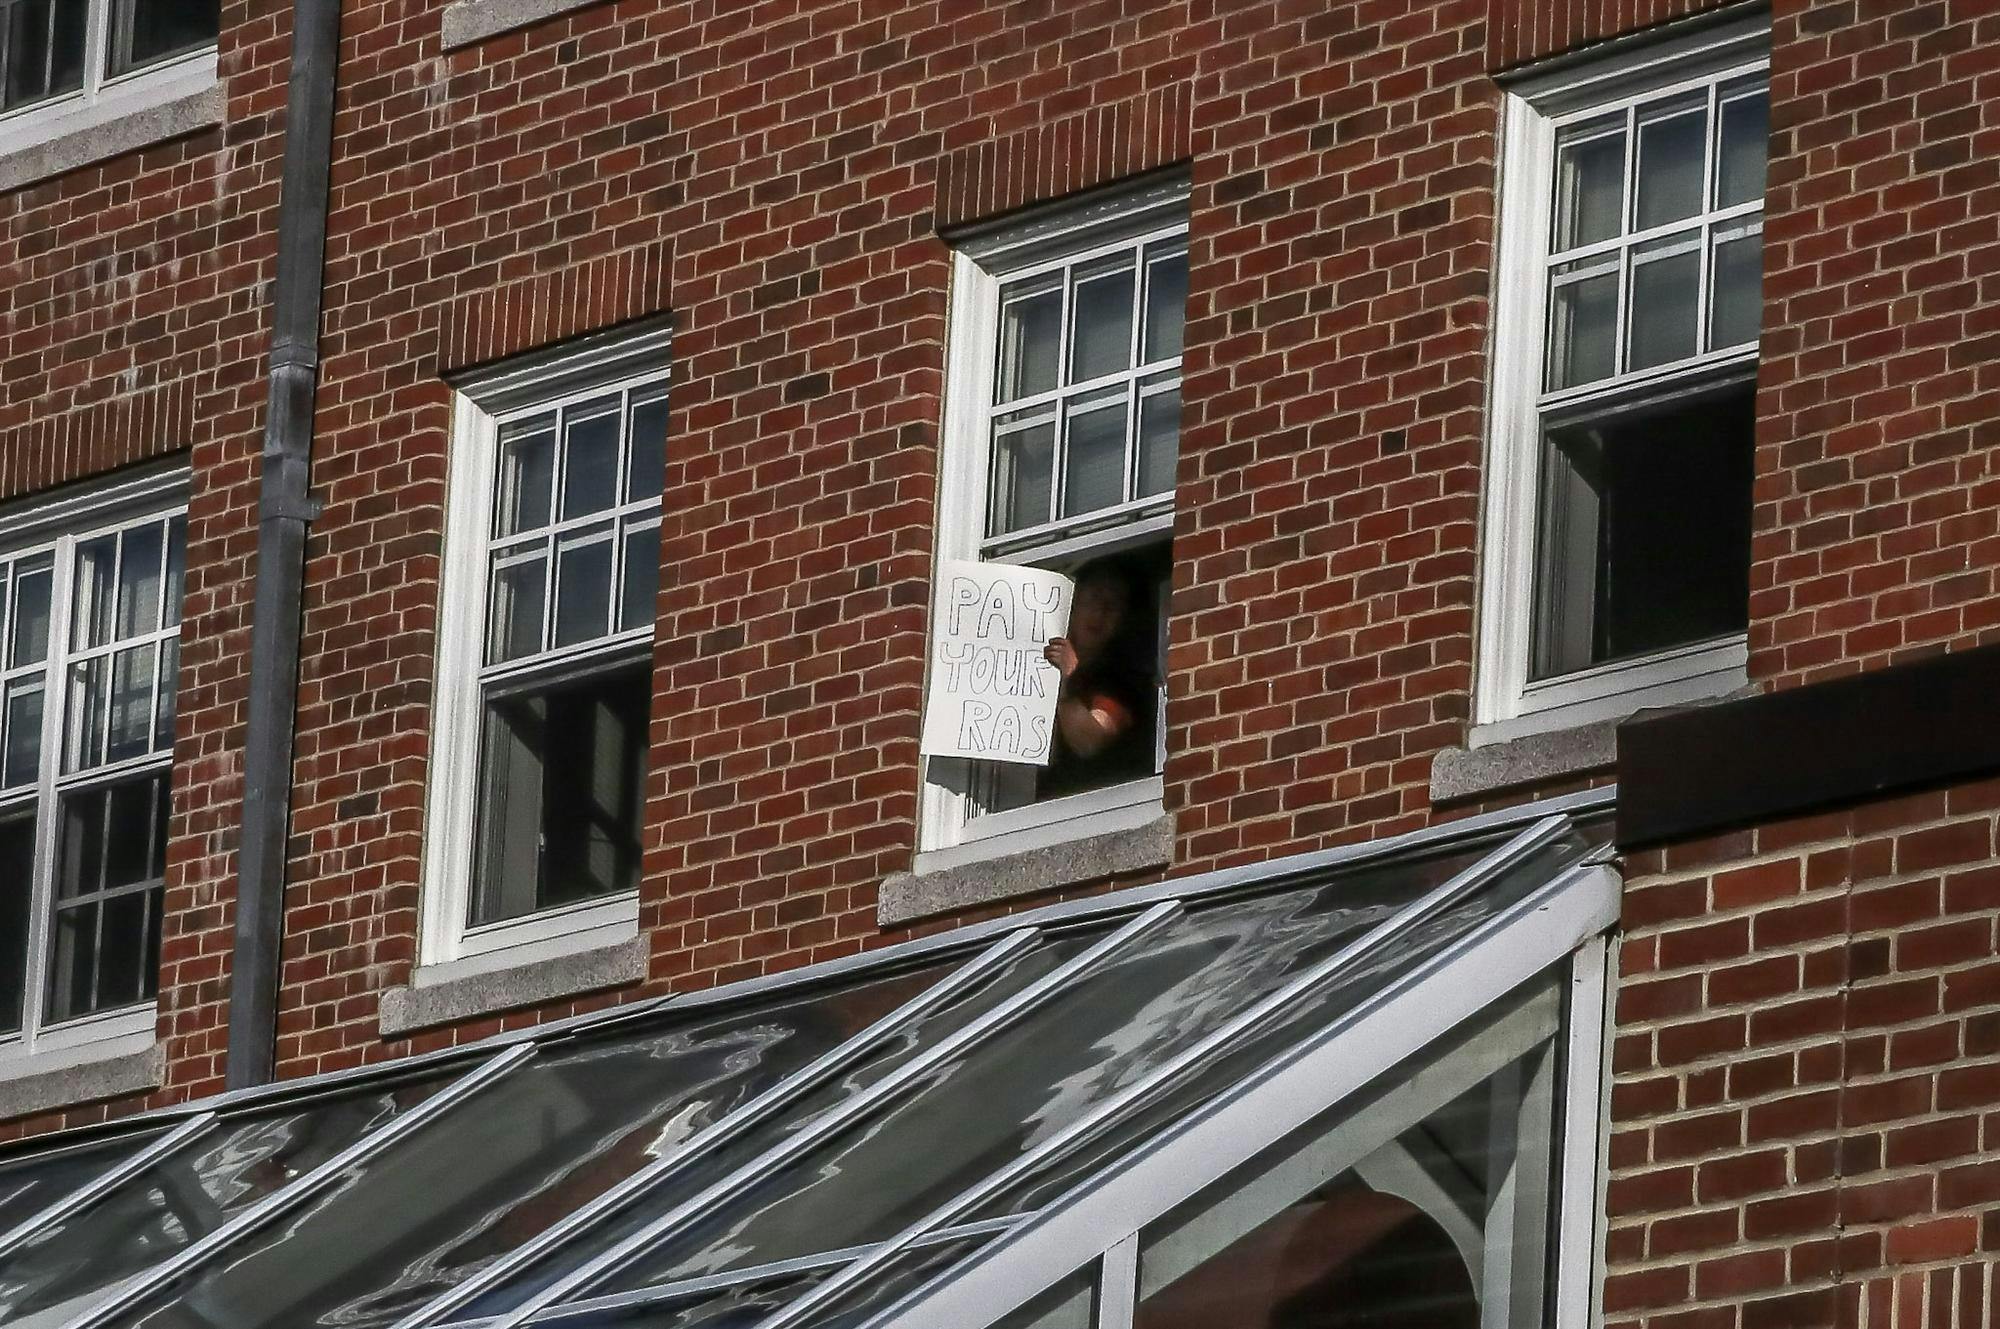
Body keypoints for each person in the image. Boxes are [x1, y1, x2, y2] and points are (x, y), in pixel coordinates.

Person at [1040, 559, 1158, 799]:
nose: (1100, 612)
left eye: (1113, 605)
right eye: (1092, 599)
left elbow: (1089, 741)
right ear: (1072, 607)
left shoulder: (1121, 683)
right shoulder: (1034, 663)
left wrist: (1068, 679)